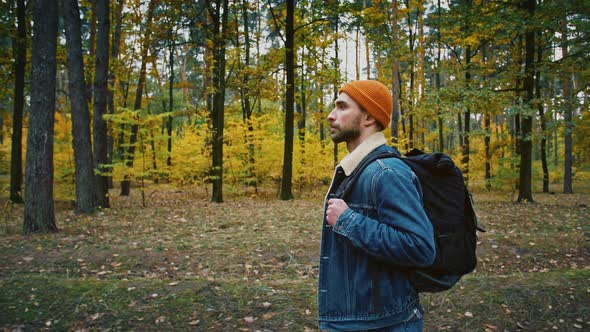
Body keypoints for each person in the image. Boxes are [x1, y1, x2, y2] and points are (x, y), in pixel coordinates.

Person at [318, 80, 436, 332]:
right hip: (361, 320)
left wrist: (348, 221)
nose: (331, 115)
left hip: (385, 324)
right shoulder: (356, 169)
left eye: (341, 106)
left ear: (369, 116)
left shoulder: (386, 172)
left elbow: (421, 247)